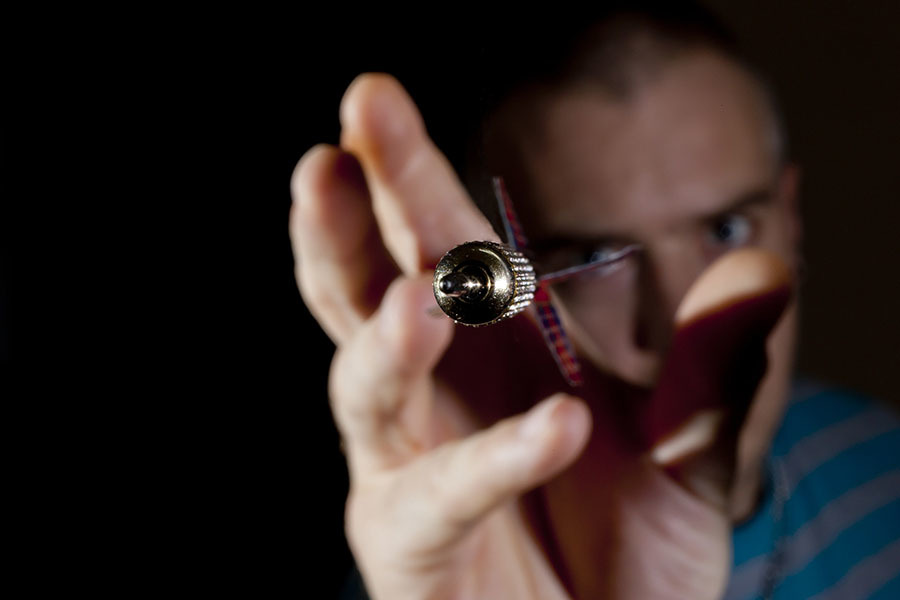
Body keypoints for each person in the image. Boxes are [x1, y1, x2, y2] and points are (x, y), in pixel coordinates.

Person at [290, 4, 900, 599]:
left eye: (725, 231)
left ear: (790, 218)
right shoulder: (449, 569)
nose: (676, 325)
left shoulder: (884, 460)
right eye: (590, 261)